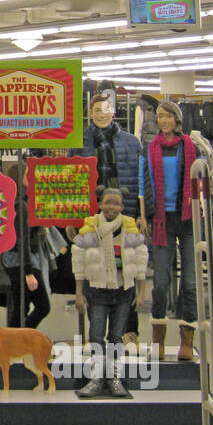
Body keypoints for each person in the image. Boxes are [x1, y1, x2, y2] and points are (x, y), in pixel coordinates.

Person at [72, 91, 145, 347]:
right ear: (90, 113)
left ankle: (130, 332)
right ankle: (93, 335)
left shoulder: (131, 143)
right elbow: (73, 182)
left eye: (105, 109)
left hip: (124, 213)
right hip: (92, 216)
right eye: (96, 110)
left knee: (128, 270)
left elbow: (139, 181)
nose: (101, 114)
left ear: (113, 111)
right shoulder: (80, 142)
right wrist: (74, 219)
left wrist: (140, 215)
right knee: (93, 273)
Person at [72, 188, 149, 398]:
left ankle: (114, 377)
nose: (111, 207)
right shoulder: (90, 229)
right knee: (96, 335)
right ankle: (96, 377)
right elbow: (78, 261)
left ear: (122, 207)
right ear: (100, 204)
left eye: (116, 203)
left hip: (123, 292)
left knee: (116, 336)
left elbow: (141, 261)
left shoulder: (130, 229)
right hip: (96, 291)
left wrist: (141, 292)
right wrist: (79, 293)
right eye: (108, 202)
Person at [140, 100, 198, 361]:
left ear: (177, 119)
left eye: (167, 117)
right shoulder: (150, 148)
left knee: (190, 282)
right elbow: (143, 184)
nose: (163, 121)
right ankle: (158, 339)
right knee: (161, 282)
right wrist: (143, 217)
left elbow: (201, 181)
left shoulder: (190, 147)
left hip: (187, 220)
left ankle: (187, 339)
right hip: (161, 221)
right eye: (160, 117)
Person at [3, 160, 50, 332]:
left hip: (15, 260)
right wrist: (29, 271)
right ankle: (19, 339)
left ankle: (15, 339)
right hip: (22, 261)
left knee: (20, 306)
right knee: (41, 306)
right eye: (27, 174)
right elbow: (22, 239)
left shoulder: (17, 202)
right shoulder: (20, 205)